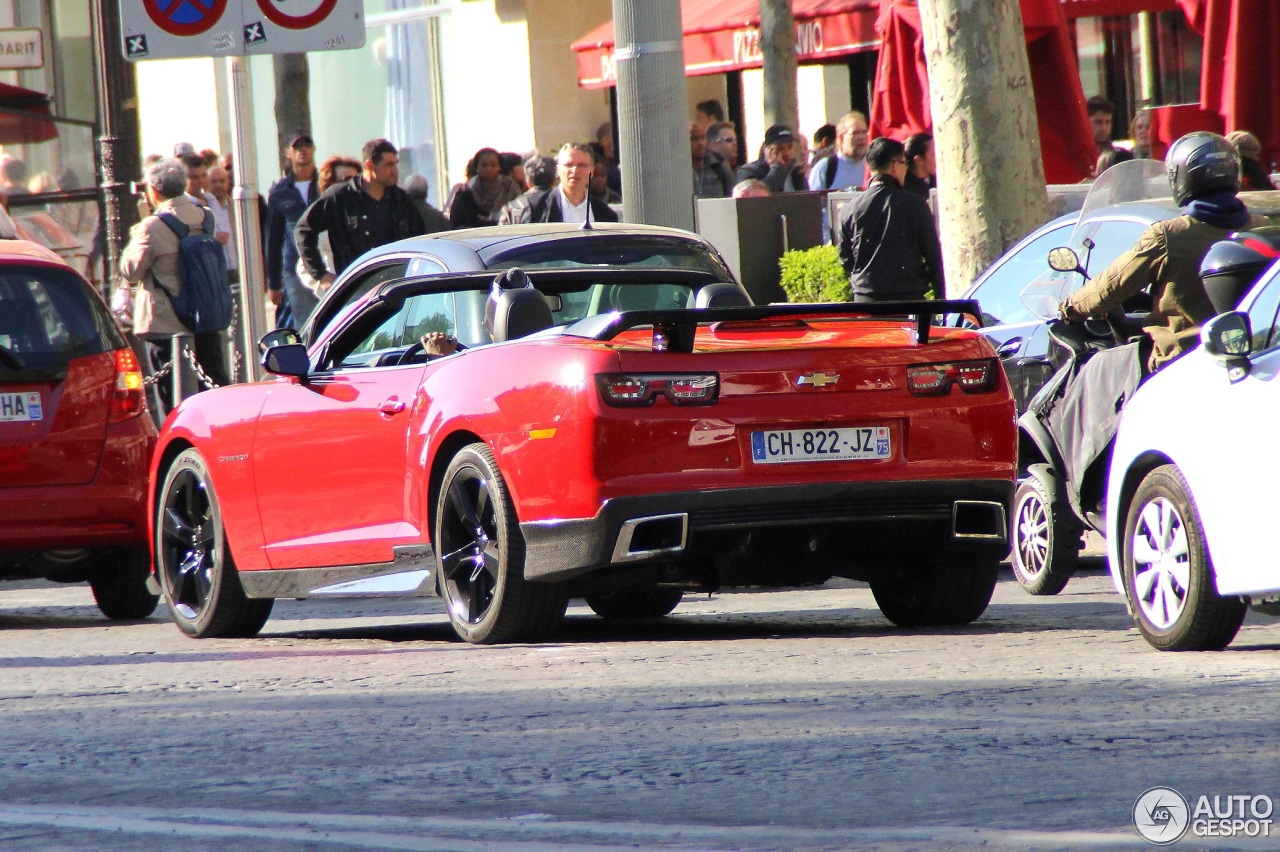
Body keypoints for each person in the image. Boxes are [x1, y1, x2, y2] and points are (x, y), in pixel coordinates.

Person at [1060, 131, 1267, 372]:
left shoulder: (1168, 235)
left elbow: (1113, 284)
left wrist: (1070, 308)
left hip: (1181, 362)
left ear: (1179, 178)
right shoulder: (1261, 227)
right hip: (1259, 354)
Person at [117, 157, 230, 405]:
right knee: (213, 391)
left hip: (166, 323)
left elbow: (130, 270)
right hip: (204, 316)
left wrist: (138, 231)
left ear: (154, 190)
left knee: (172, 400)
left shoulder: (151, 226)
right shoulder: (205, 216)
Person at [295, 138, 427, 289]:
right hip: (356, 292)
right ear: (370, 165)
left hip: (396, 287)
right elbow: (304, 230)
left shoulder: (402, 200)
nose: (395, 171)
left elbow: (420, 240)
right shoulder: (340, 197)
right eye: (389, 165)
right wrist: (321, 274)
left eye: (396, 164)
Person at [836, 137, 944, 303]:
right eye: (904, 163)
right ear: (895, 166)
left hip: (866, 300)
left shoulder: (849, 209)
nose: (906, 169)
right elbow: (934, 256)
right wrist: (940, 298)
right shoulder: (915, 205)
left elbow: (845, 258)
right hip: (909, 301)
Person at [265, 130, 318, 329]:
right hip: (294, 267)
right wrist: (274, 284)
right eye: (297, 146)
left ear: (313, 148)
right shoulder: (279, 192)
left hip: (326, 262)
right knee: (304, 322)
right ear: (288, 152)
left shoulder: (324, 184)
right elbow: (273, 238)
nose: (303, 150)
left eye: (306, 145)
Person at [296, 156, 363, 297]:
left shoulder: (369, 210)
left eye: (356, 179)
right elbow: (304, 265)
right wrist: (324, 281)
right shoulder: (323, 216)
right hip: (341, 295)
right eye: (345, 180)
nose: (352, 185)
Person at [509, 142, 619, 224]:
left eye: (582, 165)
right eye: (569, 165)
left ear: (592, 171)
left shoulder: (605, 214)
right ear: (557, 170)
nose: (575, 170)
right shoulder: (536, 208)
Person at [447, 147, 523, 228]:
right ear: (477, 168)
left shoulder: (511, 188)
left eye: (493, 165)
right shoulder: (466, 195)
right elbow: (457, 225)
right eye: (484, 165)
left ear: (499, 167)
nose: (489, 169)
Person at [808, 111, 869, 192]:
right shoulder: (825, 168)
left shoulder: (873, 166)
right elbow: (815, 201)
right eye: (855, 133)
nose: (862, 137)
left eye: (864, 132)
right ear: (841, 138)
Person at [736, 124, 805, 193]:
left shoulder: (795, 173)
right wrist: (777, 169)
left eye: (789, 147)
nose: (786, 153)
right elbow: (755, 197)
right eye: (780, 148)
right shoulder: (748, 171)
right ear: (767, 149)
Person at [690, 122, 734, 198]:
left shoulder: (719, 167)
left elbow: (733, 198)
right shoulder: (677, 171)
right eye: (694, 139)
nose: (701, 143)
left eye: (703, 137)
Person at [902, 132, 937, 200]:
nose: (939, 158)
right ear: (919, 160)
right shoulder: (907, 191)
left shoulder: (937, 180)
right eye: (934, 155)